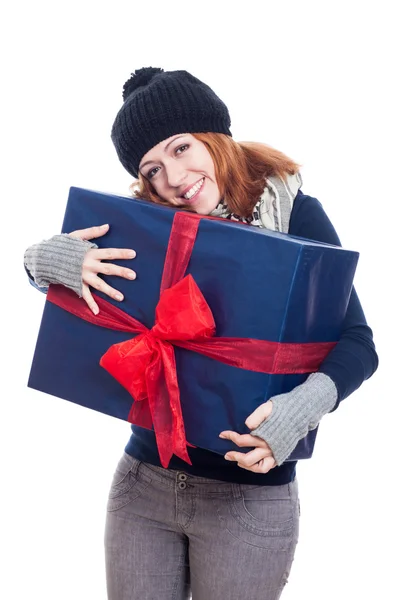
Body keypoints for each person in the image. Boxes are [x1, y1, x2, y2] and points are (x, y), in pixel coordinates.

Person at [24, 67, 378, 600]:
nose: (172, 176)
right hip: (143, 483)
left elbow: (358, 343)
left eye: (181, 148)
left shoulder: (296, 214)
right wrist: (46, 261)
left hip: (248, 500)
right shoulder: (151, 224)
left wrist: (301, 410)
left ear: (215, 136)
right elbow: (82, 293)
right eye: (152, 169)